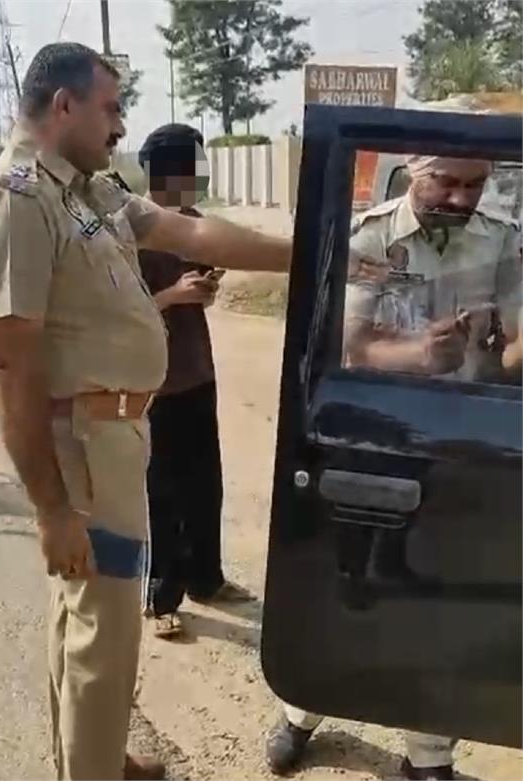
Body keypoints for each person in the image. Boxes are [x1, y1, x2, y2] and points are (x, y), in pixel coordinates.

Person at [0, 42, 290, 781]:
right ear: (64, 105)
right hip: (83, 449)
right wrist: (51, 509)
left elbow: (188, 232)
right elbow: (10, 366)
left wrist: (309, 251)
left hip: (111, 438)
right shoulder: (19, 198)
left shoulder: (84, 189)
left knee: (85, 623)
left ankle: (95, 758)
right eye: (110, 109)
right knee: (103, 635)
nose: (120, 126)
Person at [266, 155, 521, 781]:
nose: (461, 199)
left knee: (442, 599)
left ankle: (428, 754)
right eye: (447, 182)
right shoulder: (370, 236)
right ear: (412, 171)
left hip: (464, 439)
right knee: (352, 585)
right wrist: (419, 356)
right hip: (378, 437)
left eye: (475, 184)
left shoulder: (501, 240)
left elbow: (514, 341)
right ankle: (303, 709)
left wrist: (502, 351)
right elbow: (349, 345)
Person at [132, 123, 254, 640]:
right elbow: (115, 311)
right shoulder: (131, 228)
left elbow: (212, 269)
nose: (200, 179)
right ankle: (160, 596)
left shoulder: (194, 225)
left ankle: (207, 578)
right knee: (162, 495)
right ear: (171, 172)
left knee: (206, 486)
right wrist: (172, 296)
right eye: (195, 168)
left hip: (197, 374)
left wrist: (205, 286)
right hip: (153, 385)